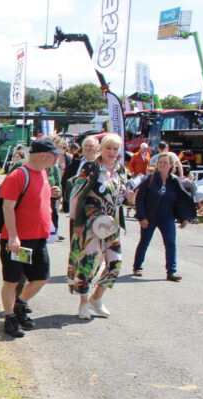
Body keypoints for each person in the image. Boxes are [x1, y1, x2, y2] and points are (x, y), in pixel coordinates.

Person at [0, 138, 62, 338]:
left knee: (41, 278)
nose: (57, 159)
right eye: (55, 155)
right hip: (18, 242)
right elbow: (7, 207)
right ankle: (10, 317)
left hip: (38, 239)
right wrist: (13, 237)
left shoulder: (44, 173)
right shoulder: (18, 175)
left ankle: (20, 305)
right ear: (44, 155)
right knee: (12, 281)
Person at [67, 133, 131, 319]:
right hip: (89, 223)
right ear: (101, 149)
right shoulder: (91, 167)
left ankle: (97, 298)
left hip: (110, 224)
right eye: (108, 148)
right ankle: (83, 303)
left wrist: (128, 199)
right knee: (87, 263)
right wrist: (76, 221)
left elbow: (119, 198)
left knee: (114, 263)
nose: (111, 152)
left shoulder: (121, 170)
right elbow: (76, 195)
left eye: (115, 149)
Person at [131, 152, 196, 281]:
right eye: (160, 162)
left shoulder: (174, 180)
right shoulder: (150, 179)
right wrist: (142, 217)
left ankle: (172, 271)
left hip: (167, 218)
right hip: (149, 218)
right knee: (144, 242)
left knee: (171, 243)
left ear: (171, 165)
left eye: (165, 162)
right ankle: (137, 267)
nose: (162, 164)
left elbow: (181, 200)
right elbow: (139, 199)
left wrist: (184, 218)